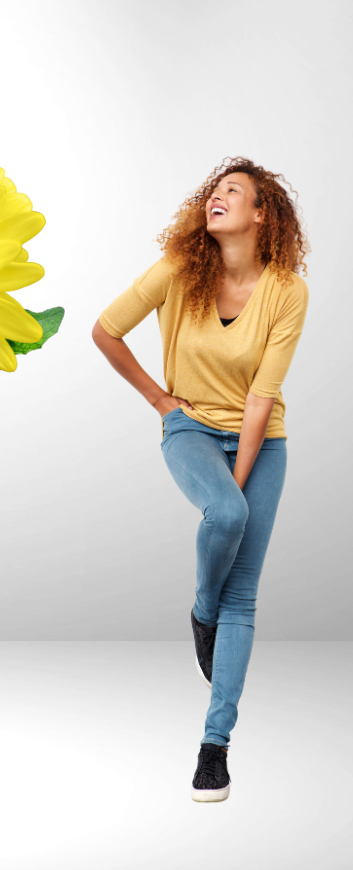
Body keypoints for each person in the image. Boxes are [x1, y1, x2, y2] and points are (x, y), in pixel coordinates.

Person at [91, 157, 309, 802]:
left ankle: (215, 749)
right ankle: (200, 609)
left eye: (232, 193)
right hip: (189, 429)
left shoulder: (287, 290)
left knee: (244, 595)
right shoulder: (178, 271)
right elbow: (105, 330)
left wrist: (238, 484)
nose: (216, 200)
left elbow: (262, 397)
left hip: (260, 439)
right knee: (228, 519)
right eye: (213, 192)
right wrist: (161, 402)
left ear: (261, 214)